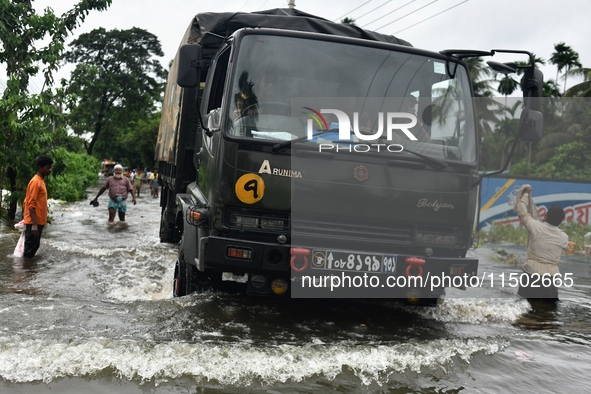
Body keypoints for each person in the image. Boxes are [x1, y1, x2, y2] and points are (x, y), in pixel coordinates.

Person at [513, 185, 568, 304]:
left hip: (531, 276)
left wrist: (525, 194)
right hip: (550, 280)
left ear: (546, 216)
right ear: (561, 221)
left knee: (523, 307)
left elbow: (521, 210)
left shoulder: (535, 227)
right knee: (548, 311)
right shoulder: (564, 237)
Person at [23, 155, 54, 258]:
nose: (50, 170)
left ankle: (29, 271)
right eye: (47, 168)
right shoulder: (36, 182)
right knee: (29, 249)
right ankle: (24, 272)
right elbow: (30, 203)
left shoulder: (41, 181)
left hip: (38, 221)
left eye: (50, 167)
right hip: (34, 222)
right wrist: (34, 224)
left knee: (35, 247)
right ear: (40, 167)